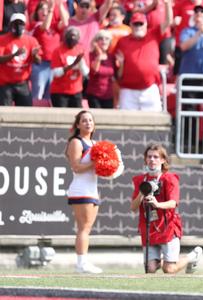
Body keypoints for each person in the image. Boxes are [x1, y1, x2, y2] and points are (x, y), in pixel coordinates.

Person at [131, 144, 203, 274]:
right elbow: (133, 207)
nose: (152, 160)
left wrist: (157, 204)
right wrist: (142, 192)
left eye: (156, 157)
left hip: (167, 227)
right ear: (145, 159)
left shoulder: (170, 178)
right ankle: (160, 260)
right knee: (150, 269)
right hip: (149, 227)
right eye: (149, 157)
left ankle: (192, 256)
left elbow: (173, 203)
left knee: (169, 270)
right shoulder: (141, 180)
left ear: (163, 160)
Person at [114, 0, 172, 111]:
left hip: (149, 89)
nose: (138, 26)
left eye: (141, 23)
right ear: (130, 24)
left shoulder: (153, 34)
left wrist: (167, 4)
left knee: (154, 124)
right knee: (126, 124)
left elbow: (168, 22)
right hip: (128, 90)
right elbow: (118, 68)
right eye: (135, 23)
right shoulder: (122, 41)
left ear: (146, 24)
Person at [65, 110, 102, 274]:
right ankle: (81, 263)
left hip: (92, 189)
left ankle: (83, 261)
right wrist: (95, 163)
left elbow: (97, 168)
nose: (88, 123)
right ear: (78, 125)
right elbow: (76, 167)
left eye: (90, 120)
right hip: (81, 189)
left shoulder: (95, 144)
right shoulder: (76, 142)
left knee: (87, 228)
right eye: (84, 120)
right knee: (83, 228)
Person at [0, 13, 42, 107]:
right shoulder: (2, 39)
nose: (18, 26)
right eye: (15, 23)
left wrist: (34, 55)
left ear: (24, 25)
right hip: (5, 84)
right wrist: (14, 55)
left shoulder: (31, 41)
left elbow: (38, 61)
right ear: (10, 25)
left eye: (21, 23)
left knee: (26, 112)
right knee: (4, 113)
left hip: (22, 83)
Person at [50, 26, 89, 108]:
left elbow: (85, 72)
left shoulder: (81, 50)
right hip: (60, 91)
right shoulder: (58, 51)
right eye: (70, 35)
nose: (72, 38)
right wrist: (72, 65)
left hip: (76, 91)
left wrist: (80, 63)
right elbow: (56, 73)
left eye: (75, 36)